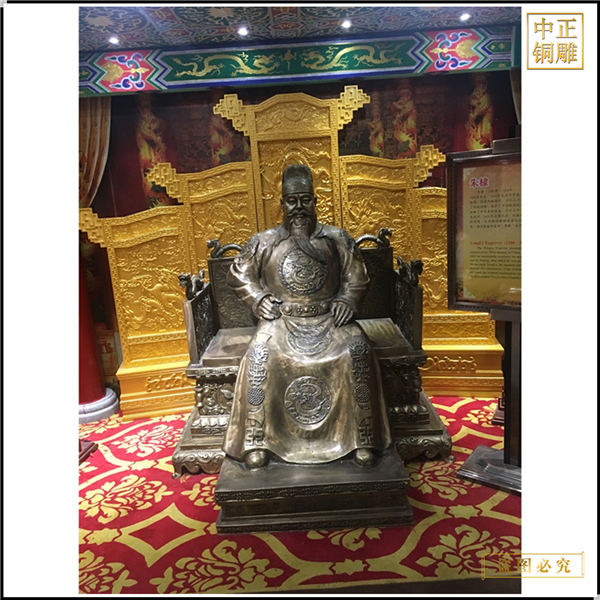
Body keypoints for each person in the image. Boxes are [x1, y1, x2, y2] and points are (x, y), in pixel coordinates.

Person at [224, 164, 392, 468]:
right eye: (292, 201)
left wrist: (348, 299)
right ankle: (257, 441)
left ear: (316, 201)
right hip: (281, 320)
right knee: (261, 354)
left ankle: (361, 438)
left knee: (356, 351)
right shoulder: (264, 241)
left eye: (305, 200)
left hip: (329, 318)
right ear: (282, 203)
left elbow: (357, 275)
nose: (299, 207)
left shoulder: (336, 238)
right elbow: (238, 274)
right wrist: (258, 298)